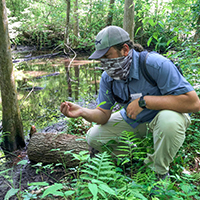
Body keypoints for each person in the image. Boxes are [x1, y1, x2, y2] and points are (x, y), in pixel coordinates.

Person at [60, 26, 200, 178]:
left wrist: (144, 101)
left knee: (169, 122)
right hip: (135, 121)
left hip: (163, 119)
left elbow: (193, 103)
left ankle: (159, 172)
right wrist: (82, 111)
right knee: (93, 137)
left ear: (125, 49)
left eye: (108, 56)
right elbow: (103, 114)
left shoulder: (155, 64)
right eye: (102, 59)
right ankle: (142, 152)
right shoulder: (108, 77)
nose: (105, 63)